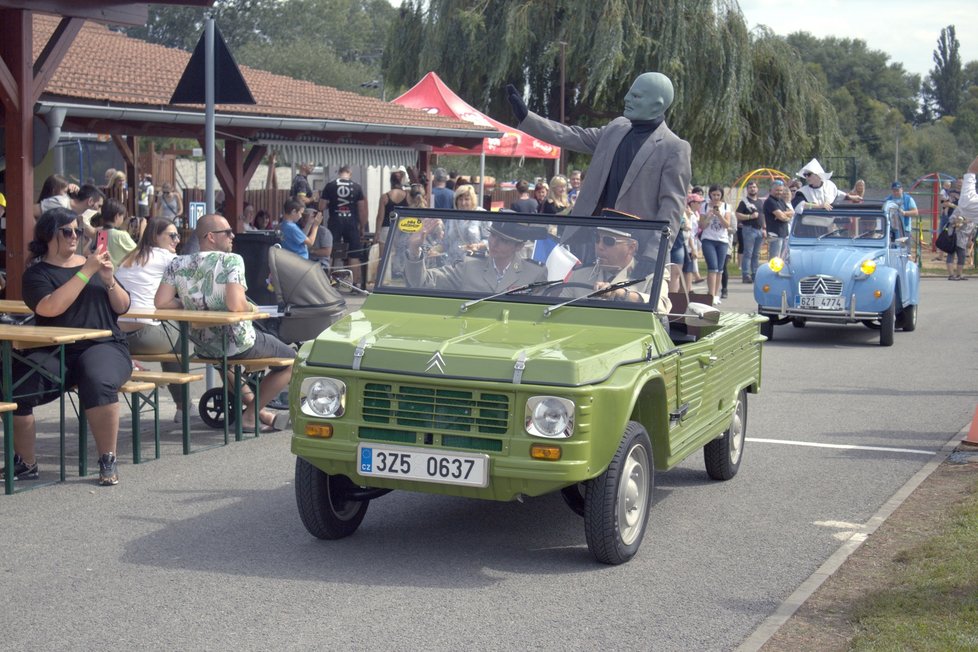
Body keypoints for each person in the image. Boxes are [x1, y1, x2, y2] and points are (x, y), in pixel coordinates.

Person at [1, 207, 132, 485]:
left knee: (98, 380)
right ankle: (26, 463)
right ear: (49, 235)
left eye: (78, 231)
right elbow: (49, 307)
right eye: (67, 231)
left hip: (104, 344)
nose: (75, 236)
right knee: (15, 388)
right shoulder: (37, 274)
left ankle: (108, 458)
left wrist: (108, 280)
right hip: (55, 349)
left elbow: (123, 306)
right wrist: (87, 271)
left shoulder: (93, 264)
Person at [507, 72, 691, 251]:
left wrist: (653, 255)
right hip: (588, 239)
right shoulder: (616, 128)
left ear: (657, 105)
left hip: (632, 249)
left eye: (636, 96)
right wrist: (527, 118)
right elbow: (572, 136)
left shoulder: (674, 148)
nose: (626, 98)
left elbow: (671, 208)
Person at [155, 214, 295, 432]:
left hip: (203, 346)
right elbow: (236, 304)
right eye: (227, 232)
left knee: (225, 362)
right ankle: (251, 415)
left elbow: (161, 301)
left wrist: (193, 303)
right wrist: (250, 307)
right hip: (236, 341)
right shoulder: (232, 260)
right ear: (210, 237)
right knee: (291, 361)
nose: (233, 236)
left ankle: (260, 413)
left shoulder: (177, 263)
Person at [115, 218, 186, 420]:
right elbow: (190, 290)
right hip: (146, 337)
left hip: (118, 336)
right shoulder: (166, 258)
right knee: (181, 338)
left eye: (178, 235)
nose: (177, 240)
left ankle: (183, 406)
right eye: (172, 235)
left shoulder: (130, 258)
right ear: (156, 237)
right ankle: (182, 406)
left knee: (171, 334)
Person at [404, 220, 545, 292]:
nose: (494, 243)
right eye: (493, 236)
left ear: (518, 246)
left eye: (504, 240)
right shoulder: (470, 266)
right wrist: (414, 250)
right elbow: (422, 282)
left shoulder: (534, 274)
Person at [564, 225, 664, 311]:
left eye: (609, 241)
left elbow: (661, 307)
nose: (600, 246)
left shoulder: (651, 275)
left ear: (631, 248)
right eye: (597, 238)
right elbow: (560, 312)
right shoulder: (579, 274)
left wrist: (621, 294)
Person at [321, 165, 368, 285]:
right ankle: (354, 284)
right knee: (354, 253)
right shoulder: (357, 187)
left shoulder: (330, 186)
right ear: (350, 174)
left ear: (339, 173)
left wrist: (330, 204)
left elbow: (321, 206)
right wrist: (362, 226)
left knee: (330, 251)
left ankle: (326, 282)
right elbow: (362, 209)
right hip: (351, 222)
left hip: (335, 221)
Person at [699, 185, 731, 305]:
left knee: (720, 269)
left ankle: (716, 294)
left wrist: (719, 215)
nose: (716, 197)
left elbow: (727, 225)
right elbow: (701, 225)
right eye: (714, 195)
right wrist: (710, 215)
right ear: (710, 195)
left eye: (718, 195)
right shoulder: (704, 206)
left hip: (722, 240)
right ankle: (711, 294)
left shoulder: (727, 207)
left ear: (721, 195)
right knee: (712, 267)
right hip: (708, 239)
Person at [791, 158, 861, 213]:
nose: (806, 177)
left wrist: (852, 197)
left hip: (826, 226)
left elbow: (837, 194)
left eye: (809, 174)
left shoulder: (829, 186)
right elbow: (799, 204)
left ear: (818, 175)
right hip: (808, 226)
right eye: (805, 175)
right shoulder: (802, 192)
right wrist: (819, 206)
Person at [442, 184, 488, 264]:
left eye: (467, 199)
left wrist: (478, 246)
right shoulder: (451, 216)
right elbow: (445, 242)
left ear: (472, 200)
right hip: (452, 266)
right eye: (460, 199)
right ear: (456, 201)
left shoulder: (481, 214)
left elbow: (490, 240)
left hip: (474, 264)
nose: (463, 203)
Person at [374, 169, 409, 265]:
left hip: (386, 228)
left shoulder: (385, 197)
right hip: (402, 229)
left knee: (383, 259)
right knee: (400, 256)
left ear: (391, 181)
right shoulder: (407, 196)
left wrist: (377, 233)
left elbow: (380, 217)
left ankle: (382, 278)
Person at [92, 198, 138, 267]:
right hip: (119, 275)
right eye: (123, 216)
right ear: (117, 216)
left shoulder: (101, 234)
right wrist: (143, 229)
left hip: (106, 273)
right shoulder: (121, 235)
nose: (123, 219)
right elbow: (139, 253)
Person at [736, 180, 764, 283]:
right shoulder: (744, 202)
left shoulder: (760, 202)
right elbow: (738, 214)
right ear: (747, 190)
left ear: (757, 189)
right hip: (749, 229)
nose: (753, 189)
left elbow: (762, 215)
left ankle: (755, 273)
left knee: (756, 254)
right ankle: (746, 274)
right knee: (748, 253)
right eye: (750, 187)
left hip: (759, 230)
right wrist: (749, 216)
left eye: (754, 187)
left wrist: (764, 228)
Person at [764, 180, 793, 259]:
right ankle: (773, 272)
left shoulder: (781, 201)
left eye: (781, 190)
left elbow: (791, 212)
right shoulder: (769, 201)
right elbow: (781, 217)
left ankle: (781, 272)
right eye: (777, 190)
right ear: (771, 190)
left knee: (783, 258)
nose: (779, 192)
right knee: (775, 258)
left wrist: (783, 214)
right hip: (775, 235)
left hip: (784, 234)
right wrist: (784, 216)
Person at [944, 212, 976, 281]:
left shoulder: (974, 219)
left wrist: (970, 240)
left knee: (962, 257)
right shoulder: (959, 212)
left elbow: (972, 230)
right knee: (951, 255)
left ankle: (959, 274)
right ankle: (951, 275)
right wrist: (963, 221)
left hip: (963, 241)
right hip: (954, 238)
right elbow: (952, 221)